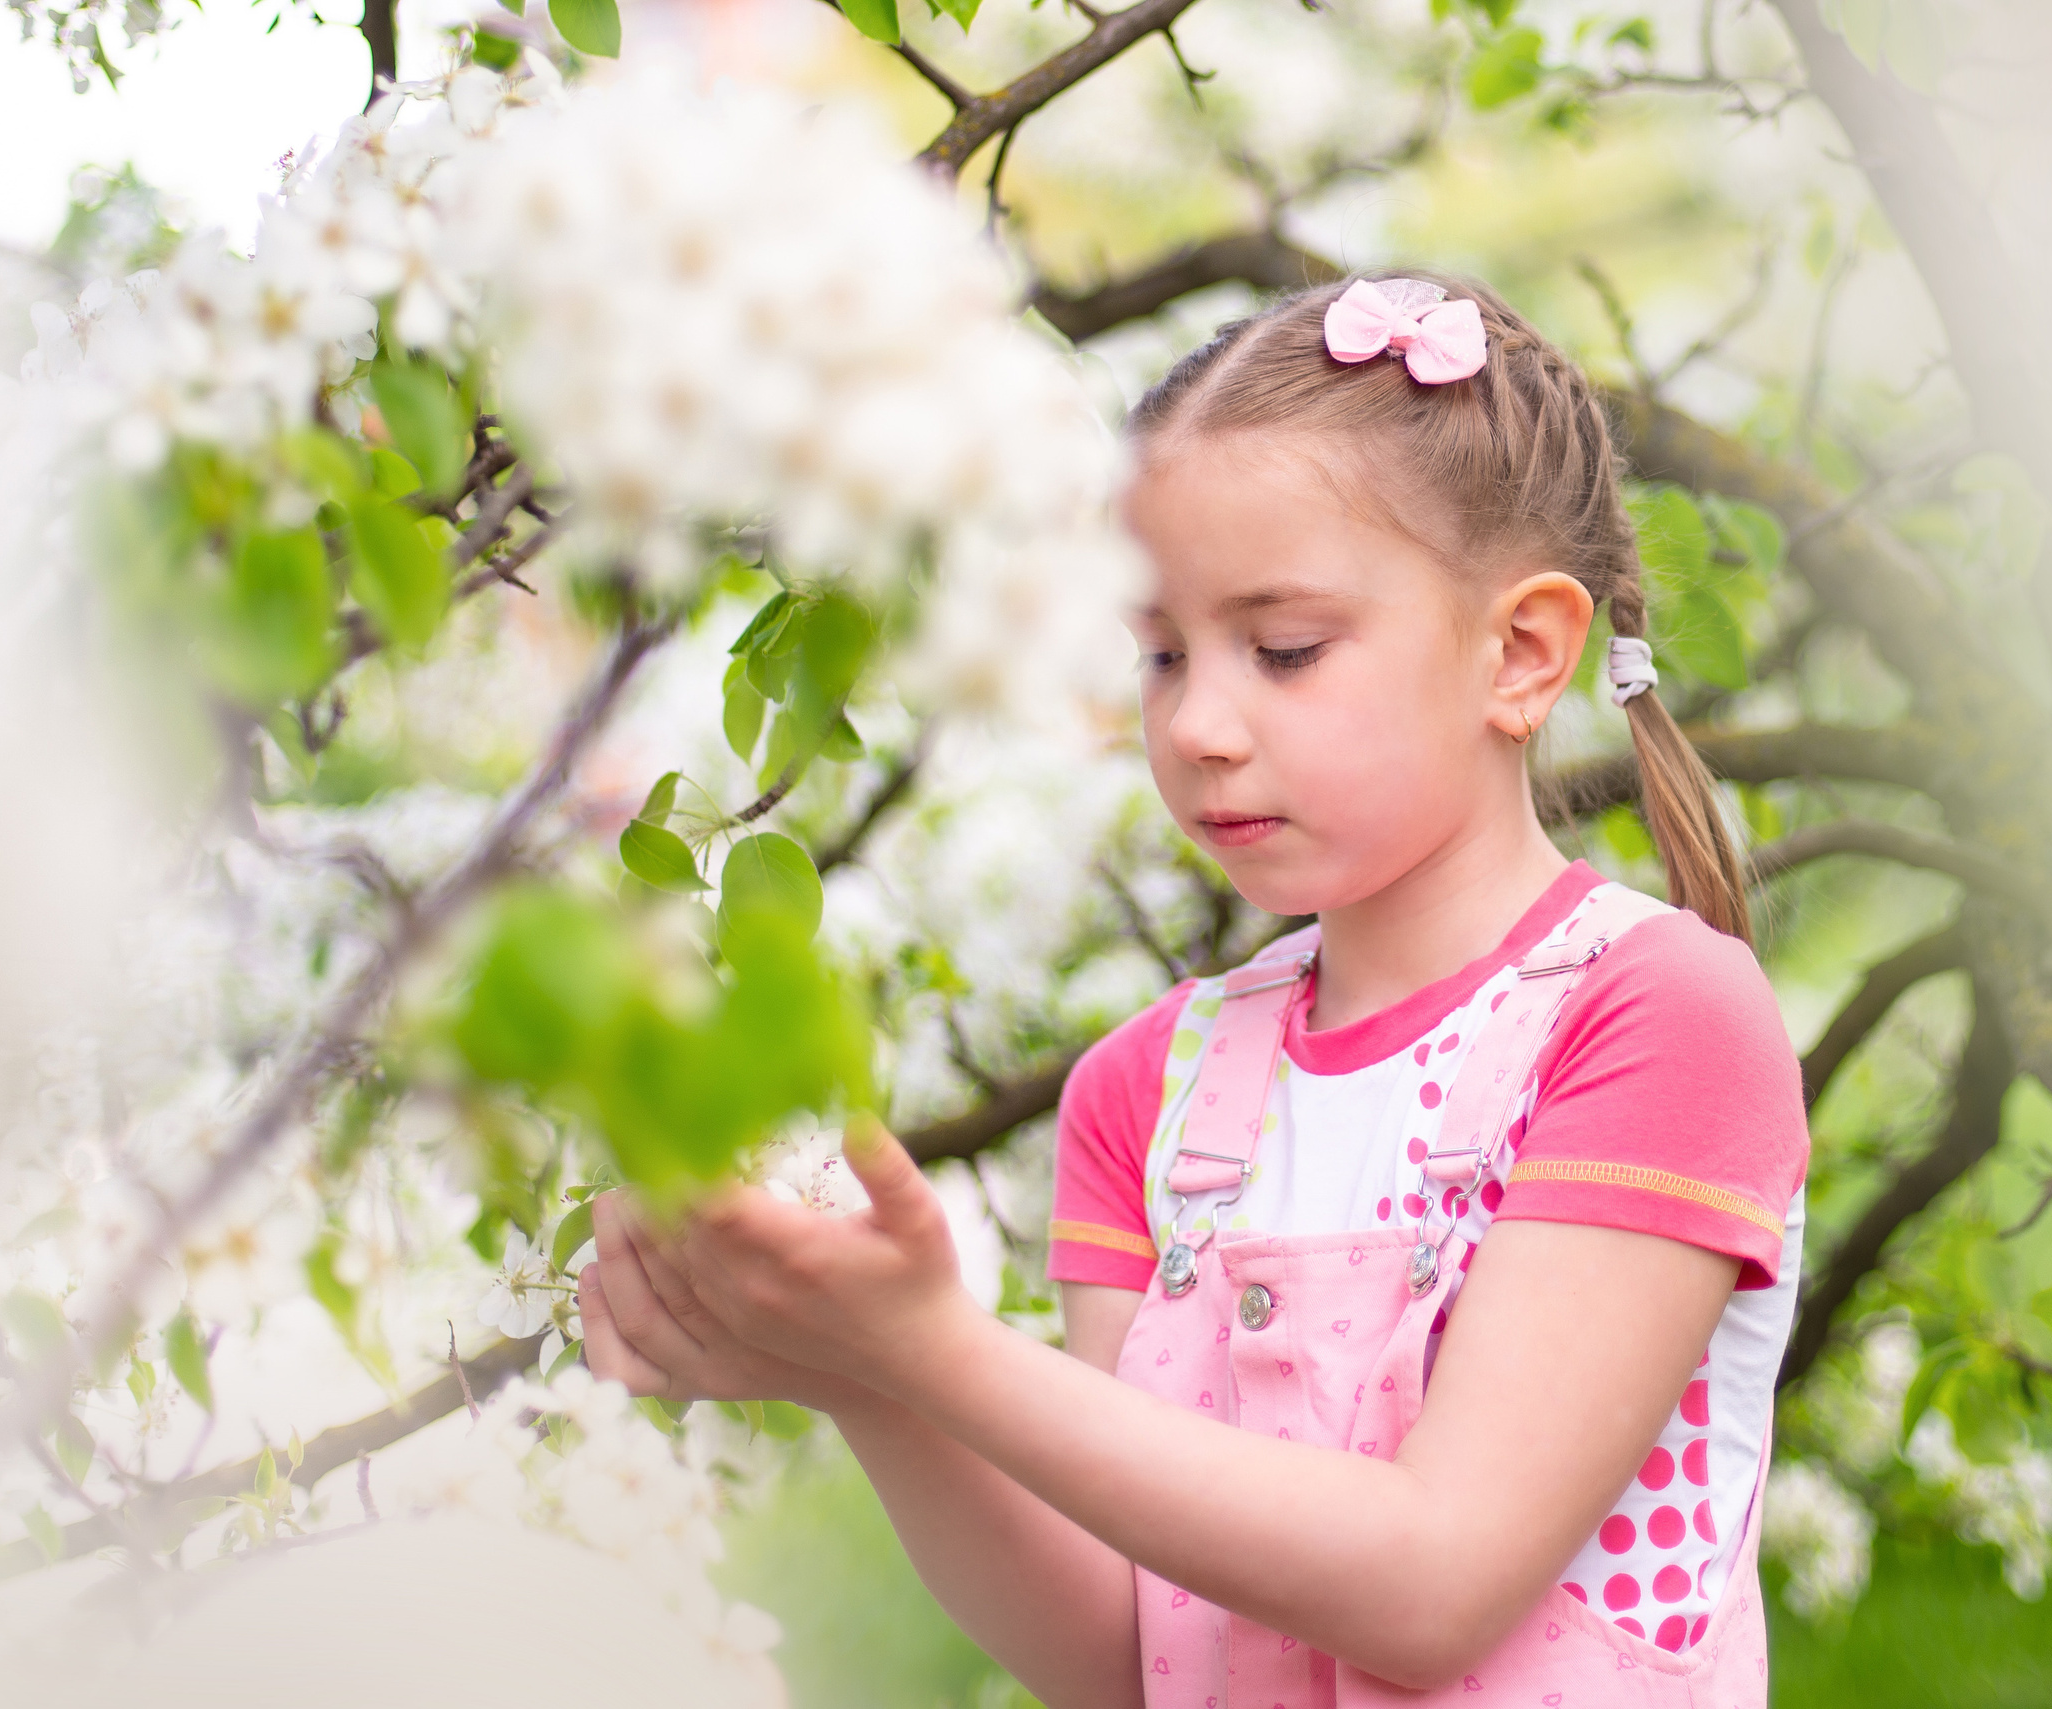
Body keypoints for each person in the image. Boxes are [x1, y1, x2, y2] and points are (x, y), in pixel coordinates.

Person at [575, 273, 1809, 1708]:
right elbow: (1133, 1653)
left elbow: (1434, 1585)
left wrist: (940, 1348)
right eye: (1161, 653)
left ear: (1521, 652)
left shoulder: (1655, 1015)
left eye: (1283, 649)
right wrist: (874, 1379)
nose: (1198, 725)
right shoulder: (1146, 1096)